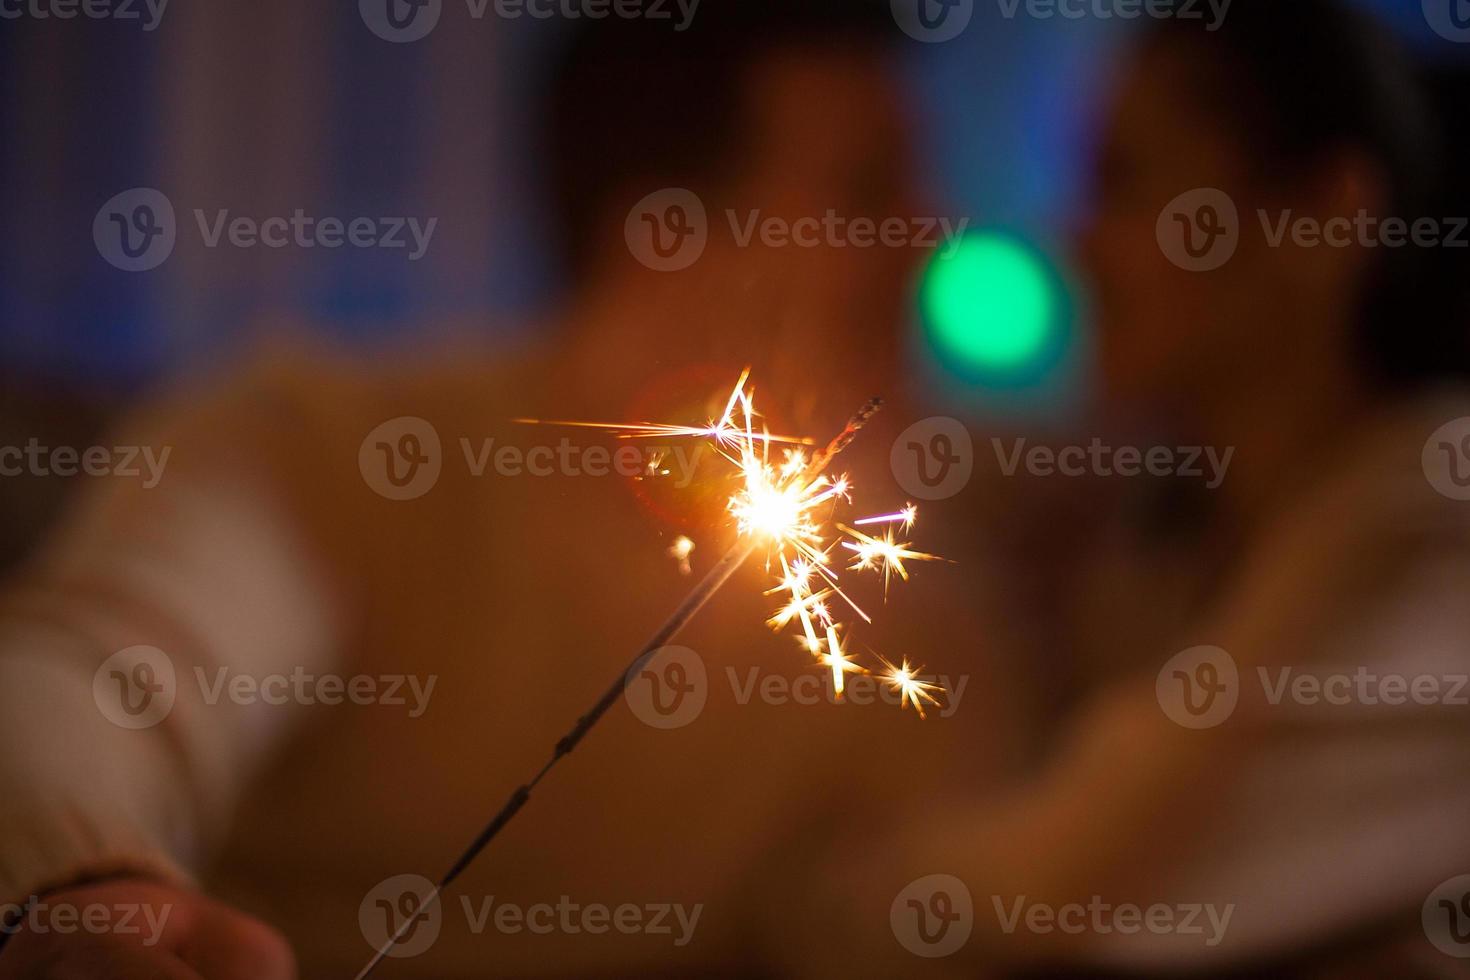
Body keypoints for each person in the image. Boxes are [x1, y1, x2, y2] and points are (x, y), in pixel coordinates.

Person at [0, 5, 1015, 977]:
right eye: (868, 191)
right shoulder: (320, 446)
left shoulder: (899, 586)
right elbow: (98, 678)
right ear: (663, 233)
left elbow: (911, 899)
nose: (926, 241)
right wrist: (91, 889)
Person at [772, 1, 1470, 976]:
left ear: (1326, 211)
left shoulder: (1430, 514)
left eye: (1124, 185)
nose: (1078, 246)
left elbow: (1078, 876)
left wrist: (813, 901)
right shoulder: (1160, 539)